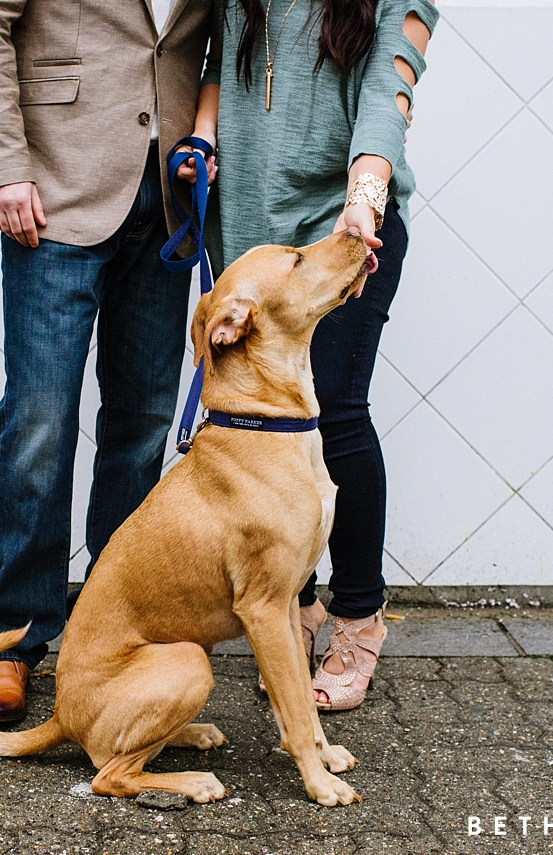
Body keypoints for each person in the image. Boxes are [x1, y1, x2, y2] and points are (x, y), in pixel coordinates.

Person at [0, 0, 214, 723]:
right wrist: (0, 165)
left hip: (167, 195)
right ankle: (11, 639)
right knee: (39, 418)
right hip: (54, 189)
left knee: (143, 424)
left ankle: (111, 630)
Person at [181, 0, 437, 710]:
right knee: (265, 430)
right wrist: (202, 140)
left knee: (336, 413)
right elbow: (211, 68)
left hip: (345, 237)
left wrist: (365, 199)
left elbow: (391, 98)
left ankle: (358, 618)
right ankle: (297, 604)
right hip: (253, 243)